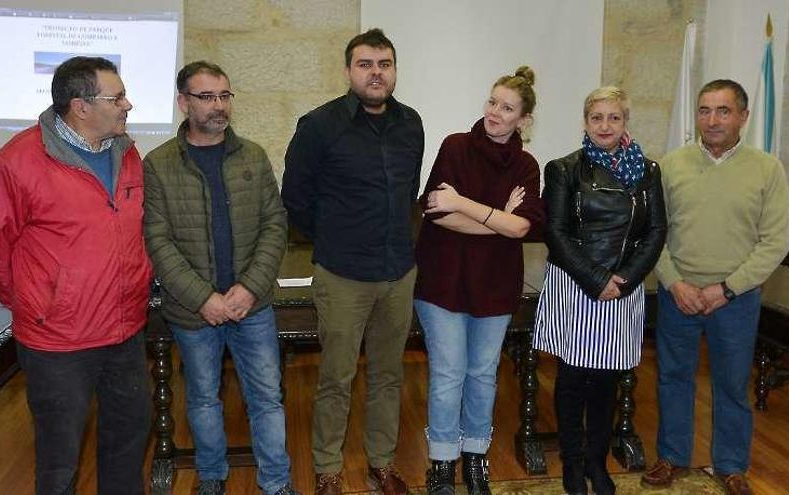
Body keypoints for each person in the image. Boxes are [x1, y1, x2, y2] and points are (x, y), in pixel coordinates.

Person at [0, 56, 152, 495]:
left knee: (128, 441)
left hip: (124, 330)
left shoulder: (127, 153)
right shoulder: (16, 162)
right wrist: (32, 300)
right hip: (58, 341)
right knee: (59, 460)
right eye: (117, 96)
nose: (128, 104)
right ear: (80, 106)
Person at [143, 61, 296, 495]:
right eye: (207, 97)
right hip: (195, 313)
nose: (218, 106)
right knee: (203, 399)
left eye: (225, 96)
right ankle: (211, 478)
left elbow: (274, 225)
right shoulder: (158, 165)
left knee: (267, 398)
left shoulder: (253, 156)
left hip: (253, 306)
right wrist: (203, 299)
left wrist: (250, 287)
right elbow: (158, 241)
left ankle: (276, 482)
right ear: (183, 102)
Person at [281, 28, 424, 495]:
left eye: (384, 64)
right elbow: (296, 199)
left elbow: (408, 192)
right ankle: (327, 468)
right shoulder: (319, 125)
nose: (376, 73)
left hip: (399, 272)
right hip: (342, 274)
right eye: (366, 64)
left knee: (388, 375)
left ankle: (382, 463)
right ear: (348, 71)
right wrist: (338, 237)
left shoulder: (411, 124)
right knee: (335, 379)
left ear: (395, 71)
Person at [642, 79, 789, 495]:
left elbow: (775, 242)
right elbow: (655, 234)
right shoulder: (671, 165)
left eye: (723, 111)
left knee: (731, 384)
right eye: (704, 110)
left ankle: (730, 465)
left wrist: (726, 289)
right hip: (679, 296)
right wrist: (674, 283)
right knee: (673, 378)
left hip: (737, 300)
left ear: (743, 116)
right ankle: (672, 456)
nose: (712, 120)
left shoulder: (767, 170)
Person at [413, 66, 546, 495]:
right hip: (442, 281)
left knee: (483, 375)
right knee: (449, 374)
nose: (494, 112)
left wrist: (465, 204)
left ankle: (475, 460)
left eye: (507, 108)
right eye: (492, 102)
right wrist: (498, 217)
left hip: (496, 285)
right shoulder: (455, 146)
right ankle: (441, 465)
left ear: (523, 120)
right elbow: (437, 212)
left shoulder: (527, 166)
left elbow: (522, 228)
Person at [533, 87, 667, 495]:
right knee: (573, 379)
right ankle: (572, 464)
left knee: (608, 382)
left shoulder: (648, 171)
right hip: (575, 285)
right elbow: (553, 232)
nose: (605, 126)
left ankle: (597, 461)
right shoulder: (563, 169)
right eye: (597, 118)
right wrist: (596, 278)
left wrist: (623, 279)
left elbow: (657, 231)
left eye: (614, 117)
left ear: (626, 122)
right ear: (585, 122)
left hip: (624, 288)